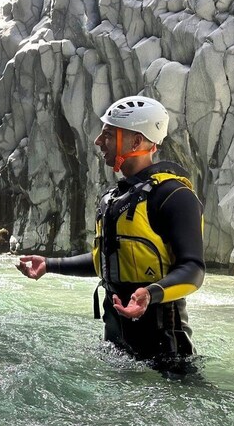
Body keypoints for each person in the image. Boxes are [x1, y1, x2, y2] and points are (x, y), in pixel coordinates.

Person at [17, 95, 205, 368]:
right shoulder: (116, 198)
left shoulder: (175, 196)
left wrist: (150, 294)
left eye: (108, 134)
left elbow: (194, 270)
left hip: (167, 348)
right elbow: (103, 260)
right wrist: (49, 265)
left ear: (137, 141)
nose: (97, 141)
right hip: (117, 343)